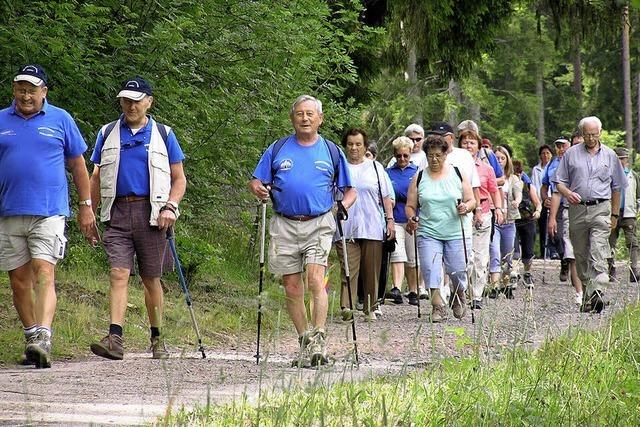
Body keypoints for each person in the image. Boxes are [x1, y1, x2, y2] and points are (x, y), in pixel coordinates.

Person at [0, 64, 96, 368]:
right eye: (21, 89)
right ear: (14, 90)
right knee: (18, 280)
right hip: (9, 211)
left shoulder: (61, 119)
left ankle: (44, 336)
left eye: (32, 89)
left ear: (44, 92)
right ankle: (31, 338)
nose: (26, 95)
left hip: (49, 210)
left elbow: (79, 165)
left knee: (44, 270)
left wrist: (85, 204)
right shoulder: (1, 120)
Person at [249, 95, 356, 366]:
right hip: (284, 222)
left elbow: (350, 190)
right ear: (292, 118)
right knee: (292, 286)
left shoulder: (331, 150)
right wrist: (259, 188)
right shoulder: (278, 148)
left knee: (314, 279)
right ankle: (305, 341)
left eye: (310, 114)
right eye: (299, 114)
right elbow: (257, 181)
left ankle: (319, 338)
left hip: (319, 222)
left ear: (320, 119)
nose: (305, 118)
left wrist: (342, 205)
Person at [89, 77, 187, 360]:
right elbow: (96, 177)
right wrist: (89, 212)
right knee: (118, 272)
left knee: (151, 278)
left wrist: (171, 206)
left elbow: (179, 179)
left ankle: (157, 338)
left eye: (136, 100)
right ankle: (115, 338)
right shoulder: (107, 133)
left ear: (148, 102)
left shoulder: (164, 134)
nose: (131, 105)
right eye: (126, 100)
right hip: (117, 212)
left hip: (152, 213)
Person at [551, 116, 626, 313]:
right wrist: (568, 193)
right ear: (581, 134)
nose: (591, 138)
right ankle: (588, 295)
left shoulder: (610, 156)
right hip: (577, 209)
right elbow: (559, 182)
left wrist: (615, 215)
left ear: (600, 133)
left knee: (598, 249)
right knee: (581, 254)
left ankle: (598, 290)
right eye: (587, 135)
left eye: (594, 134)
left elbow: (617, 187)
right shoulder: (571, 154)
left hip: (601, 208)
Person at [405, 135, 475, 322]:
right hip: (428, 231)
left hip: (455, 231)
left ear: (445, 155)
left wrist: (466, 207)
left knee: (457, 269)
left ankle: (458, 295)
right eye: (430, 156)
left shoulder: (458, 173)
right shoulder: (419, 177)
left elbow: (471, 200)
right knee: (430, 268)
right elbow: (411, 205)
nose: (434, 159)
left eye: (438, 155)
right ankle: (437, 306)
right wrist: (411, 217)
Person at [335, 128, 395, 321]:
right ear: (345, 146)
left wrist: (390, 221)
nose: (354, 148)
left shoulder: (376, 168)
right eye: (350, 144)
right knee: (348, 267)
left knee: (371, 269)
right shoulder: (339, 167)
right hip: (345, 225)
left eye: (358, 144)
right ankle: (347, 306)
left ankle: (370, 308)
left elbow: (386, 197)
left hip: (372, 226)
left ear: (365, 146)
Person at [459, 129, 503, 309]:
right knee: (465, 256)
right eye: (465, 142)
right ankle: (464, 291)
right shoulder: (455, 166)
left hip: (484, 212)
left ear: (478, 146)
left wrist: (499, 209)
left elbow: (494, 191)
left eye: (472, 142)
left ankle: (476, 295)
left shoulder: (487, 168)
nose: (468, 146)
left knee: (480, 256)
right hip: (462, 213)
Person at [544, 137, 584, 306]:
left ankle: (592, 288)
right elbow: (554, 190)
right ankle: (580, 293)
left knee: (587, 253)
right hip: (566, 210)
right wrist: (551, 217)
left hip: (592, 209)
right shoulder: (558, 165)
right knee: (571, 252)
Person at [386, 136, 420, 305]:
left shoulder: (416, 172)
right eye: (399, 156)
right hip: (395, 218)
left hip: (412, 219)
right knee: (397, 253)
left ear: (410, 154)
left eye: (405, 156)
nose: (402, 159)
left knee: (412, 257)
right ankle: (397, 288)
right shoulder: (388, 173)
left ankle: (413, 290)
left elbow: (418, 196)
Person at [489, 146, 522, 298]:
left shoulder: (513, 178)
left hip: (509, 221)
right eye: (497, 158)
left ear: (507, 160)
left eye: (502, 158)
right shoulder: (490, 177)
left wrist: (516, 201)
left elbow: (518, 194)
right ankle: (494, 286)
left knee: (507, 255)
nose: (500, 161)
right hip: (494, 221)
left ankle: (506, 283)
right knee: (494, 252)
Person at [607, 147, 640, 282]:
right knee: (610, 242)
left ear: (627, 160)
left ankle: (634, 270)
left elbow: (638, 195)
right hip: (612, 213)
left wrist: (636, 209)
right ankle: (611, 269)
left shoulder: (634, 176)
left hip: (628, 213)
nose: (621, 161)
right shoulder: (609, 174)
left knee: (633, 242)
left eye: (623, 158)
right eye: (618, 159)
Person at [513, 159, 542, 288]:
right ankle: (513, 273)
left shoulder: (528, 185)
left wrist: (538, 211)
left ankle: (527, 272)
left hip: (527, 219)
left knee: (528, 249)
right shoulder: (506, 185)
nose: (517, 176)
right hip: (512, 221)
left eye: (518, 173)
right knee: (512, 249)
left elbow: (537, 202)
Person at [531, 144, 556, 259]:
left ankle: (554, 251)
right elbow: (535, 185)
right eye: (543, 153)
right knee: (543, 227)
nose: (545, 155)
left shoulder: (554, 167)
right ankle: (544, 252)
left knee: (554, 227)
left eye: (547, 153)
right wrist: (538, 201)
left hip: (553, 201)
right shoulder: (536, 169)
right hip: (540, 202)